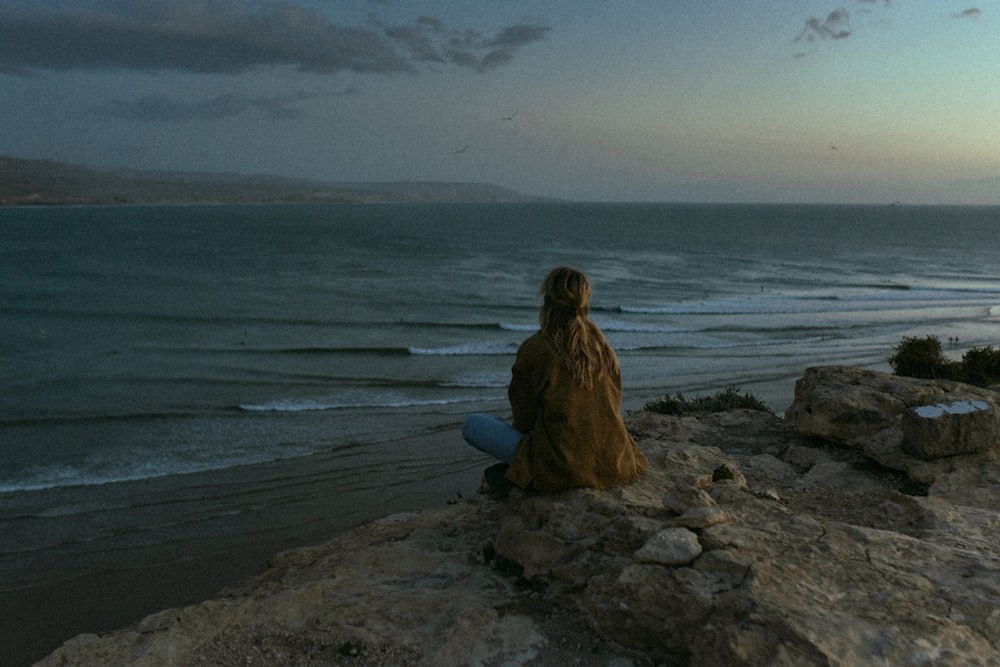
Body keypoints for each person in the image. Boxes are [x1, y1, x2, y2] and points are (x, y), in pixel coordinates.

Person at [463, 266, 647, 491]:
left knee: (474, 424)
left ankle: (522, 476)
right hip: (615, 462)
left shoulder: (535, 347)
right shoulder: (602, 346)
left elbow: (524, 419)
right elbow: (613, 403)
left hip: (564, 468)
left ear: (547, 299)